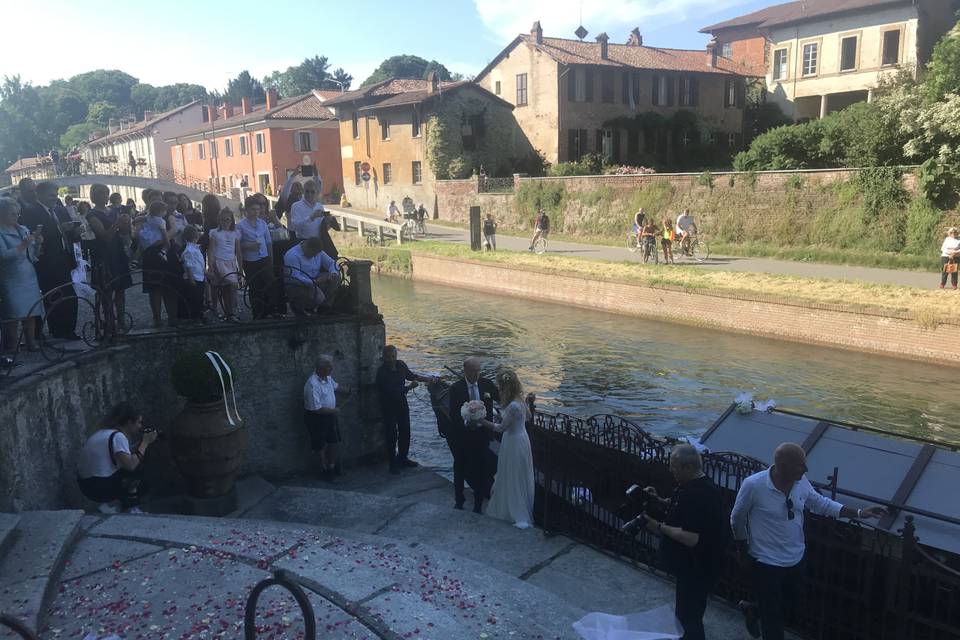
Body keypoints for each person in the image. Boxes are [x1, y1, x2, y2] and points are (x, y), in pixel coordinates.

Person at [731, 443, 887, 640]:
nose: (805, 470)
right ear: (782, 465)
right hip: (766, 562)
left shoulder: (800, 481)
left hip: (795, 557)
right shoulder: (754, 485)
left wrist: (858, 513)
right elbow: (737, 518)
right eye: (799, 465)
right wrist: (742, 550)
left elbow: (819, 503)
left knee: (792, 606)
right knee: (774, 620)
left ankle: (753, 609)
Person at [636, 445, 726, 640]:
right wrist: (658, 499)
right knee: (686, 615)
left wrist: (658, 526)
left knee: (688, 619)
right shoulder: (694, 486)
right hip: (692, 568)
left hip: (697, 568)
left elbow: (691, 537)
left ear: (687, 467)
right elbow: (681, 507)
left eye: (674, 466)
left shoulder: (700, 495)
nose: (671, 470)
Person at [18, 180, 80, 340]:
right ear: (40, 194)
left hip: (64, 258)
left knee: (69, 295)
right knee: (53, 296)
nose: (54, 198)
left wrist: (73, 231)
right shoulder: (30, 212)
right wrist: (59, 230)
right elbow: (32, 236)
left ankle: (68, 329)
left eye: (56, 194)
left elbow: (69, 235)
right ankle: (58, 329)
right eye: (51, 195)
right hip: (46, 261)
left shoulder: (60, 210)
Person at [76, 402, 157, 514]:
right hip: (98, 487)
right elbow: (131, 465)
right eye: (139, 423)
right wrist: (145, 442)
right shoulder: (118, 437)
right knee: (139, 472)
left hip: (86, 484)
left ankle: (112, 505)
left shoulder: (104, 433)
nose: (140, 427)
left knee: (132, 466)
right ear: (129, 422)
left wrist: (139, 445)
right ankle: (130, 508)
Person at [478, 368, 534, 527]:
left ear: (503, 387)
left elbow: (501, 429)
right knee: (520, 474)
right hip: (523, 439)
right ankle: (522, 506)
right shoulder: (520, 401)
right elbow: (528, 417)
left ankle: (513, 511)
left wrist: (481, 421)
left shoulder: (512, 406)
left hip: (512, 442)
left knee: (510, 475)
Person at [447, 357, 500, 512]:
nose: (476, 374)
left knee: (481, 468)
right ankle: (459, 499)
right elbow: (454, 414)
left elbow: (501, 398)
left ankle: (478, 503)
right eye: (473, 371)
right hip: (462, 436)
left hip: (482, 435)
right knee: (460, 466)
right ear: (465, 371)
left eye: (478, 371)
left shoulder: (486, 384)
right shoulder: (456, 388)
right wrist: (466, 424)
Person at [375, 345, 436, 474]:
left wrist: (427, 379)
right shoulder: (381, 372)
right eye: (388, 357)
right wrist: (410, 387)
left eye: (393, 356)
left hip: (401, 403)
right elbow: (393, 392)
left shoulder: (401, 365)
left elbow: (411, 376)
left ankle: (403, 457)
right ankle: (392, 464)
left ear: (396, 356)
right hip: (388, 405)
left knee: (405, 430)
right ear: (384, 357)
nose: (391, 359)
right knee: (391, 434)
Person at [87, 184, 133, 339]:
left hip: (117, 253)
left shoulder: (113, 211)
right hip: (104, 255)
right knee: (106, 291)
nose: (104, 196)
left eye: (106, 193)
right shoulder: (92, 215)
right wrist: (117, 224)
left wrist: (126, 224)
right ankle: (108, 322)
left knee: (121, 289)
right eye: (100, 193)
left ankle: (121, 319)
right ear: (94, 196)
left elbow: (124, 233)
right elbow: (105, 236)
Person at [0, 198, 43, 354]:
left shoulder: (22, 229)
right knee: (12, 314)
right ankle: (10, 346)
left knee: (30, 312)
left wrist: (37, 243)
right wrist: (22, 245)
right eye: (12, 214)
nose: (16, 216)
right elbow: (3, 256)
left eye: (18, 213)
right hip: (10, 278)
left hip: (28, 276)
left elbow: (32, 254)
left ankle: (30, 341)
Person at [303, 355, 348, 482]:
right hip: (316, 418)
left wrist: (348, 390)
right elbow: (316, 409)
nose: (331, 369)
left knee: (333, 441)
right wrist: (334, 410)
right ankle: (325, 469)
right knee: (320, 445)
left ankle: (332, 466)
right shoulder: (312, 385)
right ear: (320, 368)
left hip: (329, 416)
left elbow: (336, 386)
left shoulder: (327, 377)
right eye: (329, 367)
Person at [237, 196, 274, 319]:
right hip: (250, 261)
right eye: (253, 209)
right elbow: (237, 246)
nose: (256, 212)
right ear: (246, 210)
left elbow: (268, 242)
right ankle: (257, 314)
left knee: (269, 285)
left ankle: (269, 311)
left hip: (264, 258)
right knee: (254, 287)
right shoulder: (241, 226)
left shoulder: (262, 223)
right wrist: (249, 246)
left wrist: (270, 259)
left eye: (258, 209)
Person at [282, 237, 340, 314]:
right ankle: (300, 307)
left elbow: (332, 263)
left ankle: (324, 307)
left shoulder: (318, 252)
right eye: (312, 254)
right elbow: (294, 277)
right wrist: (313, 283)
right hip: (298, 284)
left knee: (336, 278)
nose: (314, 256)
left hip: (315, 280)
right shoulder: (292, 255)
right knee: (305, 291)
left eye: (316, 254)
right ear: (306, 247)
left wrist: (333, 274)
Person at [207, 208, 242, 322]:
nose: (225, 222)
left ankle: (229, 312)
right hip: (219, 261)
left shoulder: (235, 233)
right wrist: (211, 266)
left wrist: (240, 268)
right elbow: (211, 250)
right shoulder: (214, 233)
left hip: (230, 262)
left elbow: (238, 251)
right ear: (219, 220)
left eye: (228, 219)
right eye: (223, 220)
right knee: (224, 285)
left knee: (230, 287)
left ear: (232, 220)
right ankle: (222, 310)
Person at [180, 225, 206, 321]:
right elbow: (189, 265)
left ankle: (198, 315)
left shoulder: (195, 248)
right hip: (194, 278)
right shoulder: (189, 250)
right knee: (194, 300)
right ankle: (194, 318)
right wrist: (191, 279)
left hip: (199, 277)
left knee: (199, 299)